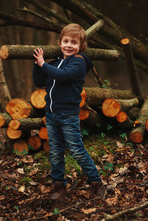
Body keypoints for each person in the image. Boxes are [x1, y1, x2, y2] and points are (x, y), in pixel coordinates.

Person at [33, 23, 106, 199]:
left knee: (76, 150)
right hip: (51, 115)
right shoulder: (56, 63)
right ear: (59, 43)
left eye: (73, 42)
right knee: (56, 152)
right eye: (65, 41)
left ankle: (97, 184)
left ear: (81, 46)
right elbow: (39, 82)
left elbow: (64, 76)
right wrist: (37, 64)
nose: (68, 45)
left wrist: (44, 64)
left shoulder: (79, 62)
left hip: (68, 115)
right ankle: (59, 186)